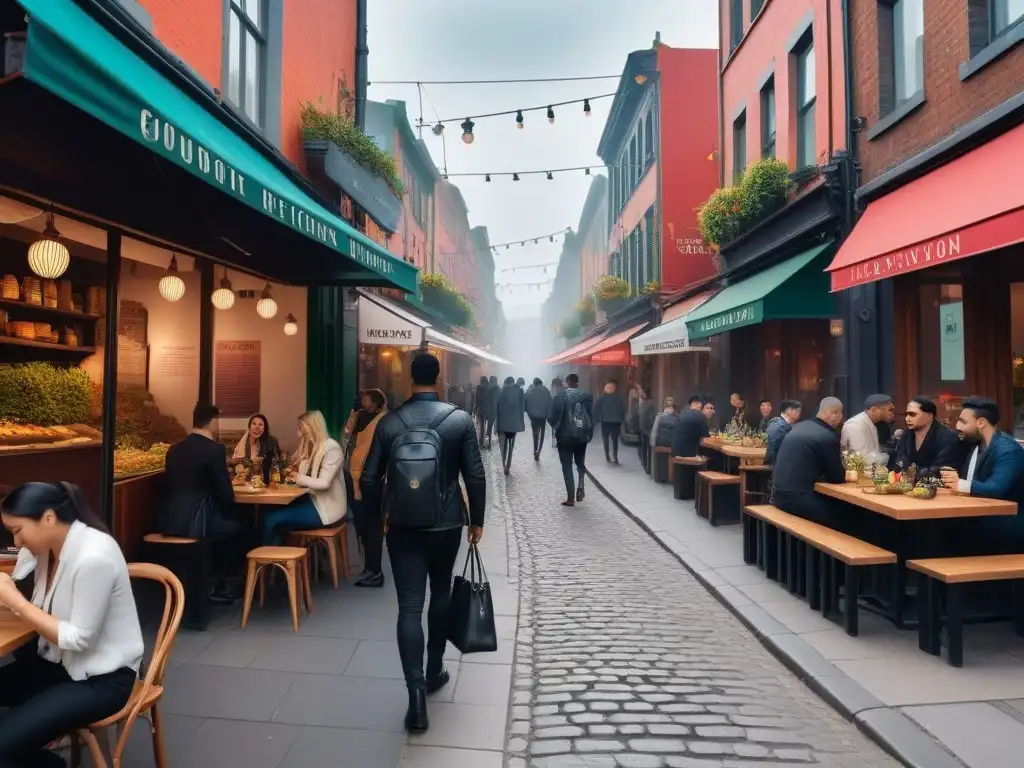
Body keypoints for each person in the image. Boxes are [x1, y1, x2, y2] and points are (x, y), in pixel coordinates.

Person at [360, 352, 485, 734]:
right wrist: (476, 521)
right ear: (440, 376)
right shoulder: (459, 420)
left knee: (409, 607)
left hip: (402, 528)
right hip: (446, 524)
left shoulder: (390, 421)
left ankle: (415, 701)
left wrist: (380, 516)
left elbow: (367, 479)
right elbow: (475, 476)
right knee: (441, 592)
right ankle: (434, 671)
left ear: (410, 379)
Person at [0, 482, 144, 767]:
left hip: (101, 679)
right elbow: (18, 572)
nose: (16, 543)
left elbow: (79, 639)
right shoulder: (49, 548)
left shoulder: (94, 556)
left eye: (18, 531)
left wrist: (15, 601)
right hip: (57, 663)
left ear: (49, 518)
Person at [161, 403, 246, 604]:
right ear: (212, 422)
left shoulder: (174, 450)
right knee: (242, 528)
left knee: (225, 527)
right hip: (197, 523)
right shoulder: (214, 450)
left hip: (169, 521)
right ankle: (220, 582)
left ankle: (212, 581)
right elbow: (227, 494)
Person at [262, 411, 346, 547]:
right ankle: (278, 563)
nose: (297, 429)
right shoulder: (312, 446)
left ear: (310, 427)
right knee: (268, 512)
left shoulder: (331, 448)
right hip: (313, 501)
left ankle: (264, 562)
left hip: (326, 510)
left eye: (300, 426)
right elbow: (303, 473)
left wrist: (298, 477)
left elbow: (324, 483)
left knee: (271, 518)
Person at [771, 397, 849, 529]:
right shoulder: (826, 436)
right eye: (841, 414)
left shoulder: (797, 427)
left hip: (777, 495)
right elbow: (836, 477)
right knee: (848, 516)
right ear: (834, 414)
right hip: (799, 500)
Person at [343, 390, 388, 588]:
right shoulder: (360, 415)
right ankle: (369, 567)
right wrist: (353, 412)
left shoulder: (384, 419)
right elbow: (346, 432)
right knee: (362, 524)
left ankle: (375, 571)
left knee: (372, 525)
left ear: (376, 402)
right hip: (355, 475)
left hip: (370, 477)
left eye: (366, 399)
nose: (363, 401)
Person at [548, 373, 594, 506]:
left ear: (566, 383)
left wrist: (555, 426)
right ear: (577, 384)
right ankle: (581, 482)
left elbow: (552, 417)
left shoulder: (560, 396)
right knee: (580, 462)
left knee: (567, 465)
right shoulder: (586, 397)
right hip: (581, 436)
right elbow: (592, 417)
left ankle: (570, 498)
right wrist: (588, 433)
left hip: (565, 436)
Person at [894, 396, 960, 475]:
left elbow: (940, 469)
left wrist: (914, 475)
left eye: (912, 414)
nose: (907, 419)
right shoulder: (907, 433)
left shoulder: (947, 437)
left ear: (929, 415)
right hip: (906, 483)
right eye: (906, 414)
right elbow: (900, 459)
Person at [232, 413, 281, 484]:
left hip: (266, 484)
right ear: (249, 427)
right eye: (254, 424)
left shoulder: (271, 443)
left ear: (264, 428)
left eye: (260, 425)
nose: (257, 427)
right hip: (245, 484)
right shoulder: (243, 444)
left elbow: (276, 467)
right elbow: (235, 466)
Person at [495, 376, 526, 475]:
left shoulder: (502, 391)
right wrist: (521, 421)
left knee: (503, 445)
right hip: (514, 423)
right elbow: (522, 408)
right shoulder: (520, 392)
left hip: (503, 422)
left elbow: (497, 408)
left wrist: (496, 425)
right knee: (511, 444)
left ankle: (503, 464)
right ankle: (508, 465)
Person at [594, 379, 626, 463]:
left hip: (605, 421)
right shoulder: (619, 398)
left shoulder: (602, 398)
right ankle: (615, 456)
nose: (607, 389)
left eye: (608, 387)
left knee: (605, 438)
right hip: (616, 422)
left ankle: (607, 455)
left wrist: (597, 419)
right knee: (615, 439)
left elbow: (596, 409)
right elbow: (623, 409)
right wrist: (622, 419)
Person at [765, 399, 802, 466]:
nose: (799, 413)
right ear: (788, 411)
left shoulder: (780, 424)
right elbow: (774, 453)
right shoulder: (778, 428)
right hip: (778, 467)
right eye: (796, 411)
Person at [525, 377, 553, 460]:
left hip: (533, 416)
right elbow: (550, 403)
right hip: (543, 416)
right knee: (542, 434)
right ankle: (539, 451)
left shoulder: (530, 389)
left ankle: (535, 450)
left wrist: (529, 413)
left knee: (535, 434)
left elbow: (525, 402)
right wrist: (548, 415)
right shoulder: (546, 390)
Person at [637, 386, 657, 471]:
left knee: (645, 446)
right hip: (646, 427)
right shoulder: (647, 404)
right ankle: (646, 464)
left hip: (645, 428)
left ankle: (646, 464)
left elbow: (648, 417)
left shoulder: (645, 404)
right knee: (646, 446)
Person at [482, 375, 500, 449]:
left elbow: (485, 400)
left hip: (489, 410)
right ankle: (493, 439)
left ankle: (489, 442)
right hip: (495, 410)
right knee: (496, 425)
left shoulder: (488, 389)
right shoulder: (498, 389)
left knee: (489, 426)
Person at [473, 376, 489, 445]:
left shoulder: (478, 387)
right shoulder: (488, 387)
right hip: (486, 408)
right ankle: (482, 438)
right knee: (484, 423)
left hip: (480, 408)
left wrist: (475, 409)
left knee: (480, 424)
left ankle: (480, 439)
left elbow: (476, 399)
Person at [550, 377, 564, 448]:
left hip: (558, 414)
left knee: (556, 428)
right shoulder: (562, 392)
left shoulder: (556, 396)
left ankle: (557, 442)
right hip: (560, 414)